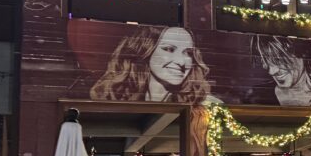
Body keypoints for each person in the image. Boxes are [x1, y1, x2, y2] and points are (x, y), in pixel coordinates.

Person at [90, 26, 219, 104]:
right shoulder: (114, 97)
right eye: (169, 49)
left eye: (188, 53)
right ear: (146, 51)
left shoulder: (206, 105)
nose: (181, 61)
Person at [252, 35, 311, 106]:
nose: (271, 72)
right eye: (266, 63)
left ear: (301, 52)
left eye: (278, 60)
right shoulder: (259, 95)